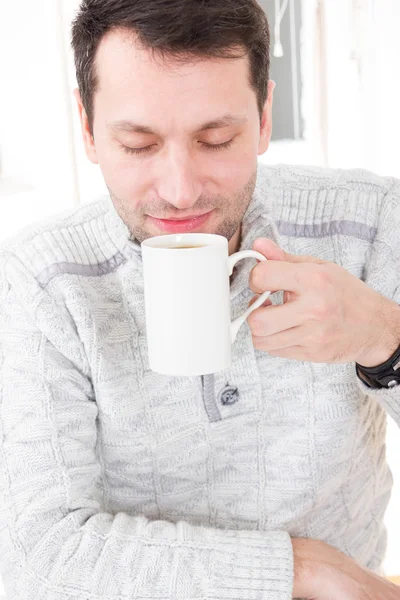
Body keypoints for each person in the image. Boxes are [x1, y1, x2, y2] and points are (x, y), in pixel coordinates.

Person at [0, 0, 399, 598]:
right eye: (138, 144)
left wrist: (387, 340)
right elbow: (37, 554)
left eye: (217, 140)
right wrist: (299, 568)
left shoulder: (369, 221)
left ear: (264, 115)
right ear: (87, 128)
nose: (181, 190)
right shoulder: (41, 280)